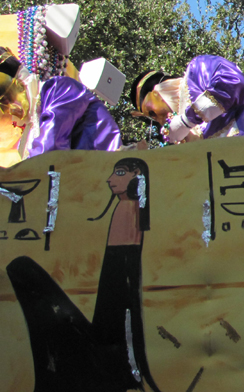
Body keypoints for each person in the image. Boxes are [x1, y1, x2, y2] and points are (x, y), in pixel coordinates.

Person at [6, 157, 161, 392]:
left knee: (22, 269)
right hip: (110, 345)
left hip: (108, 349)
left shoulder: (128, 208)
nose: (110, 180)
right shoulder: (126, 208)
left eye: (119, 173)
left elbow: (120, 278)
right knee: (22, 269)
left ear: (137, 175)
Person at [130, 55, 244, 144]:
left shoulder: (197, 72)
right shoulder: (184, 139)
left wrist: (187, 120)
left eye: (152, 113)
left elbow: (233, 82)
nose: (159, 120)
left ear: (156, 91)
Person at [0, 47, 121, 158]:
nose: (5, 107)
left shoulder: (59, 90)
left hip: (107, 170)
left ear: (19, 81)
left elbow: (49, 151)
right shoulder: (28, 134)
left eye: (4, 94)